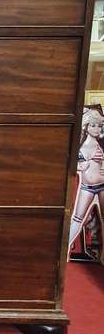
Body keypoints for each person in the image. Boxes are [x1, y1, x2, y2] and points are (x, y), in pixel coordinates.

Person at [68, 106, 104, 260]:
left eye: (99, 125)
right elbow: (70, 163)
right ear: (87, 125)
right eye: (93, 125)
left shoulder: (101, 145)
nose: (96, 129)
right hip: (86, 187)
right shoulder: (80, 145)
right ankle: (64, 248)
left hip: (102, 185)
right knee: (77, 218)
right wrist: (78, 166)